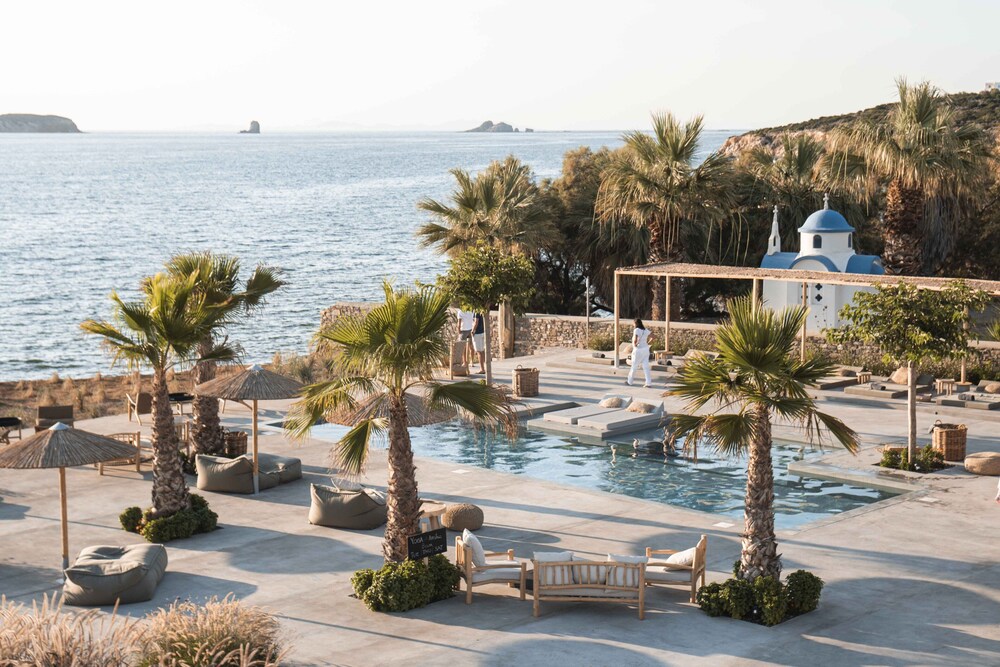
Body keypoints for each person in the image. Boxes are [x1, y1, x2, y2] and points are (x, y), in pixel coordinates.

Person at [627, 317, 652, 388]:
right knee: (646, 367)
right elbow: (654, 336)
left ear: (636, 323)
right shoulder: (645, 330)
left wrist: (635, 344)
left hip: (638, 350)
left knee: (634, 366)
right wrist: (648, 342)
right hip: (646, 349)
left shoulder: (636, 330)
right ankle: (648, 383)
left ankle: (630, 381)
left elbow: (635, 339)